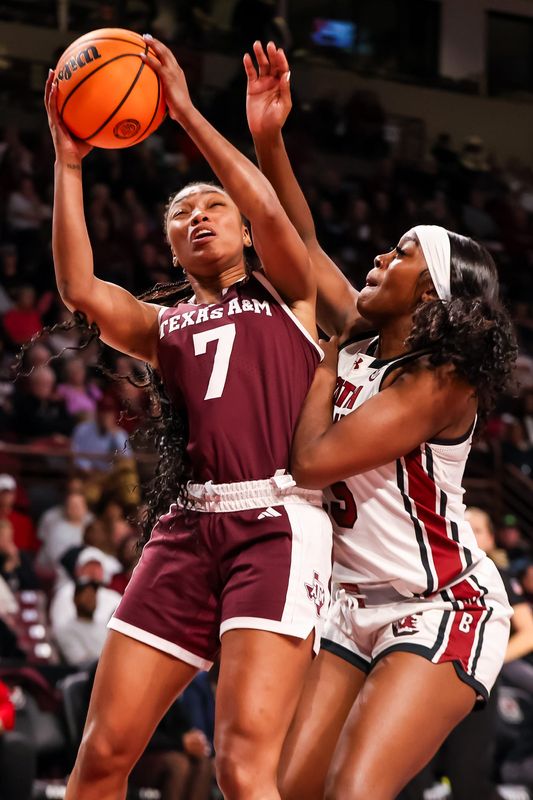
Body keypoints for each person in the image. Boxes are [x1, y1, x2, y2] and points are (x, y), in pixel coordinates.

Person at [44, 33, 332, 800]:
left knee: (241, 768)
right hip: (185, 529)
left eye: (214, 206)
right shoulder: (160, 326)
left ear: (245, 230)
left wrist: (185, 113)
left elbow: (270, 204)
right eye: (182, 211)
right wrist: (69, 163)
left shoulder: (289, 292)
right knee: (101, 757)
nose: (199, 214)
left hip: (275, 522)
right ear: (170, 247)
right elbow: (79, 287)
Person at [244, 41, 517, 800]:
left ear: (429, 295)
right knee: (273, 789)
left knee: (353, 791)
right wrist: (267, 137)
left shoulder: (440, 382)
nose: (374, 259)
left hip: (440, 604)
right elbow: (297, 245)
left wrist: (326, 356)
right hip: (349, 603)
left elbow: (309, 465)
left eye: (398, 256)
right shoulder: (367, 349)